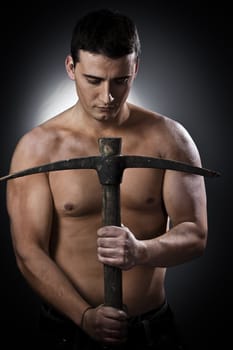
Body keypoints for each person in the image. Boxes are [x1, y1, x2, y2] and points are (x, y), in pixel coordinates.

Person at [6, 8, 207, 350]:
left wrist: (141, 251)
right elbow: (29, 250)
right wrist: (84, 316)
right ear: (71, 68)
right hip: (67, 330)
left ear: (135, 69)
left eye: (120, 80)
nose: (107, 97)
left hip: (150, 331)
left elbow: (195, 233)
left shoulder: (169, 139)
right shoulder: (38, 148)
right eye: (94, 81)